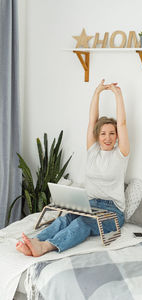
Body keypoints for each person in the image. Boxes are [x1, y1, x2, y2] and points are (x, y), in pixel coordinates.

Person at [16, 79, 130, 257]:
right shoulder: (92, 151)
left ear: (117, 136)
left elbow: (122, 123)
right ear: (97, 136)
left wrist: (118, 95)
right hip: (89, 205)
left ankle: (46, 247)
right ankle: (36, 241)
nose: (107, 138)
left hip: (112, 212)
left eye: (112, 133)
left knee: (81, 224)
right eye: (103, 134)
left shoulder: (121, 154)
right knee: (65, 219)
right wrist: (97, 93)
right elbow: (92, 121)